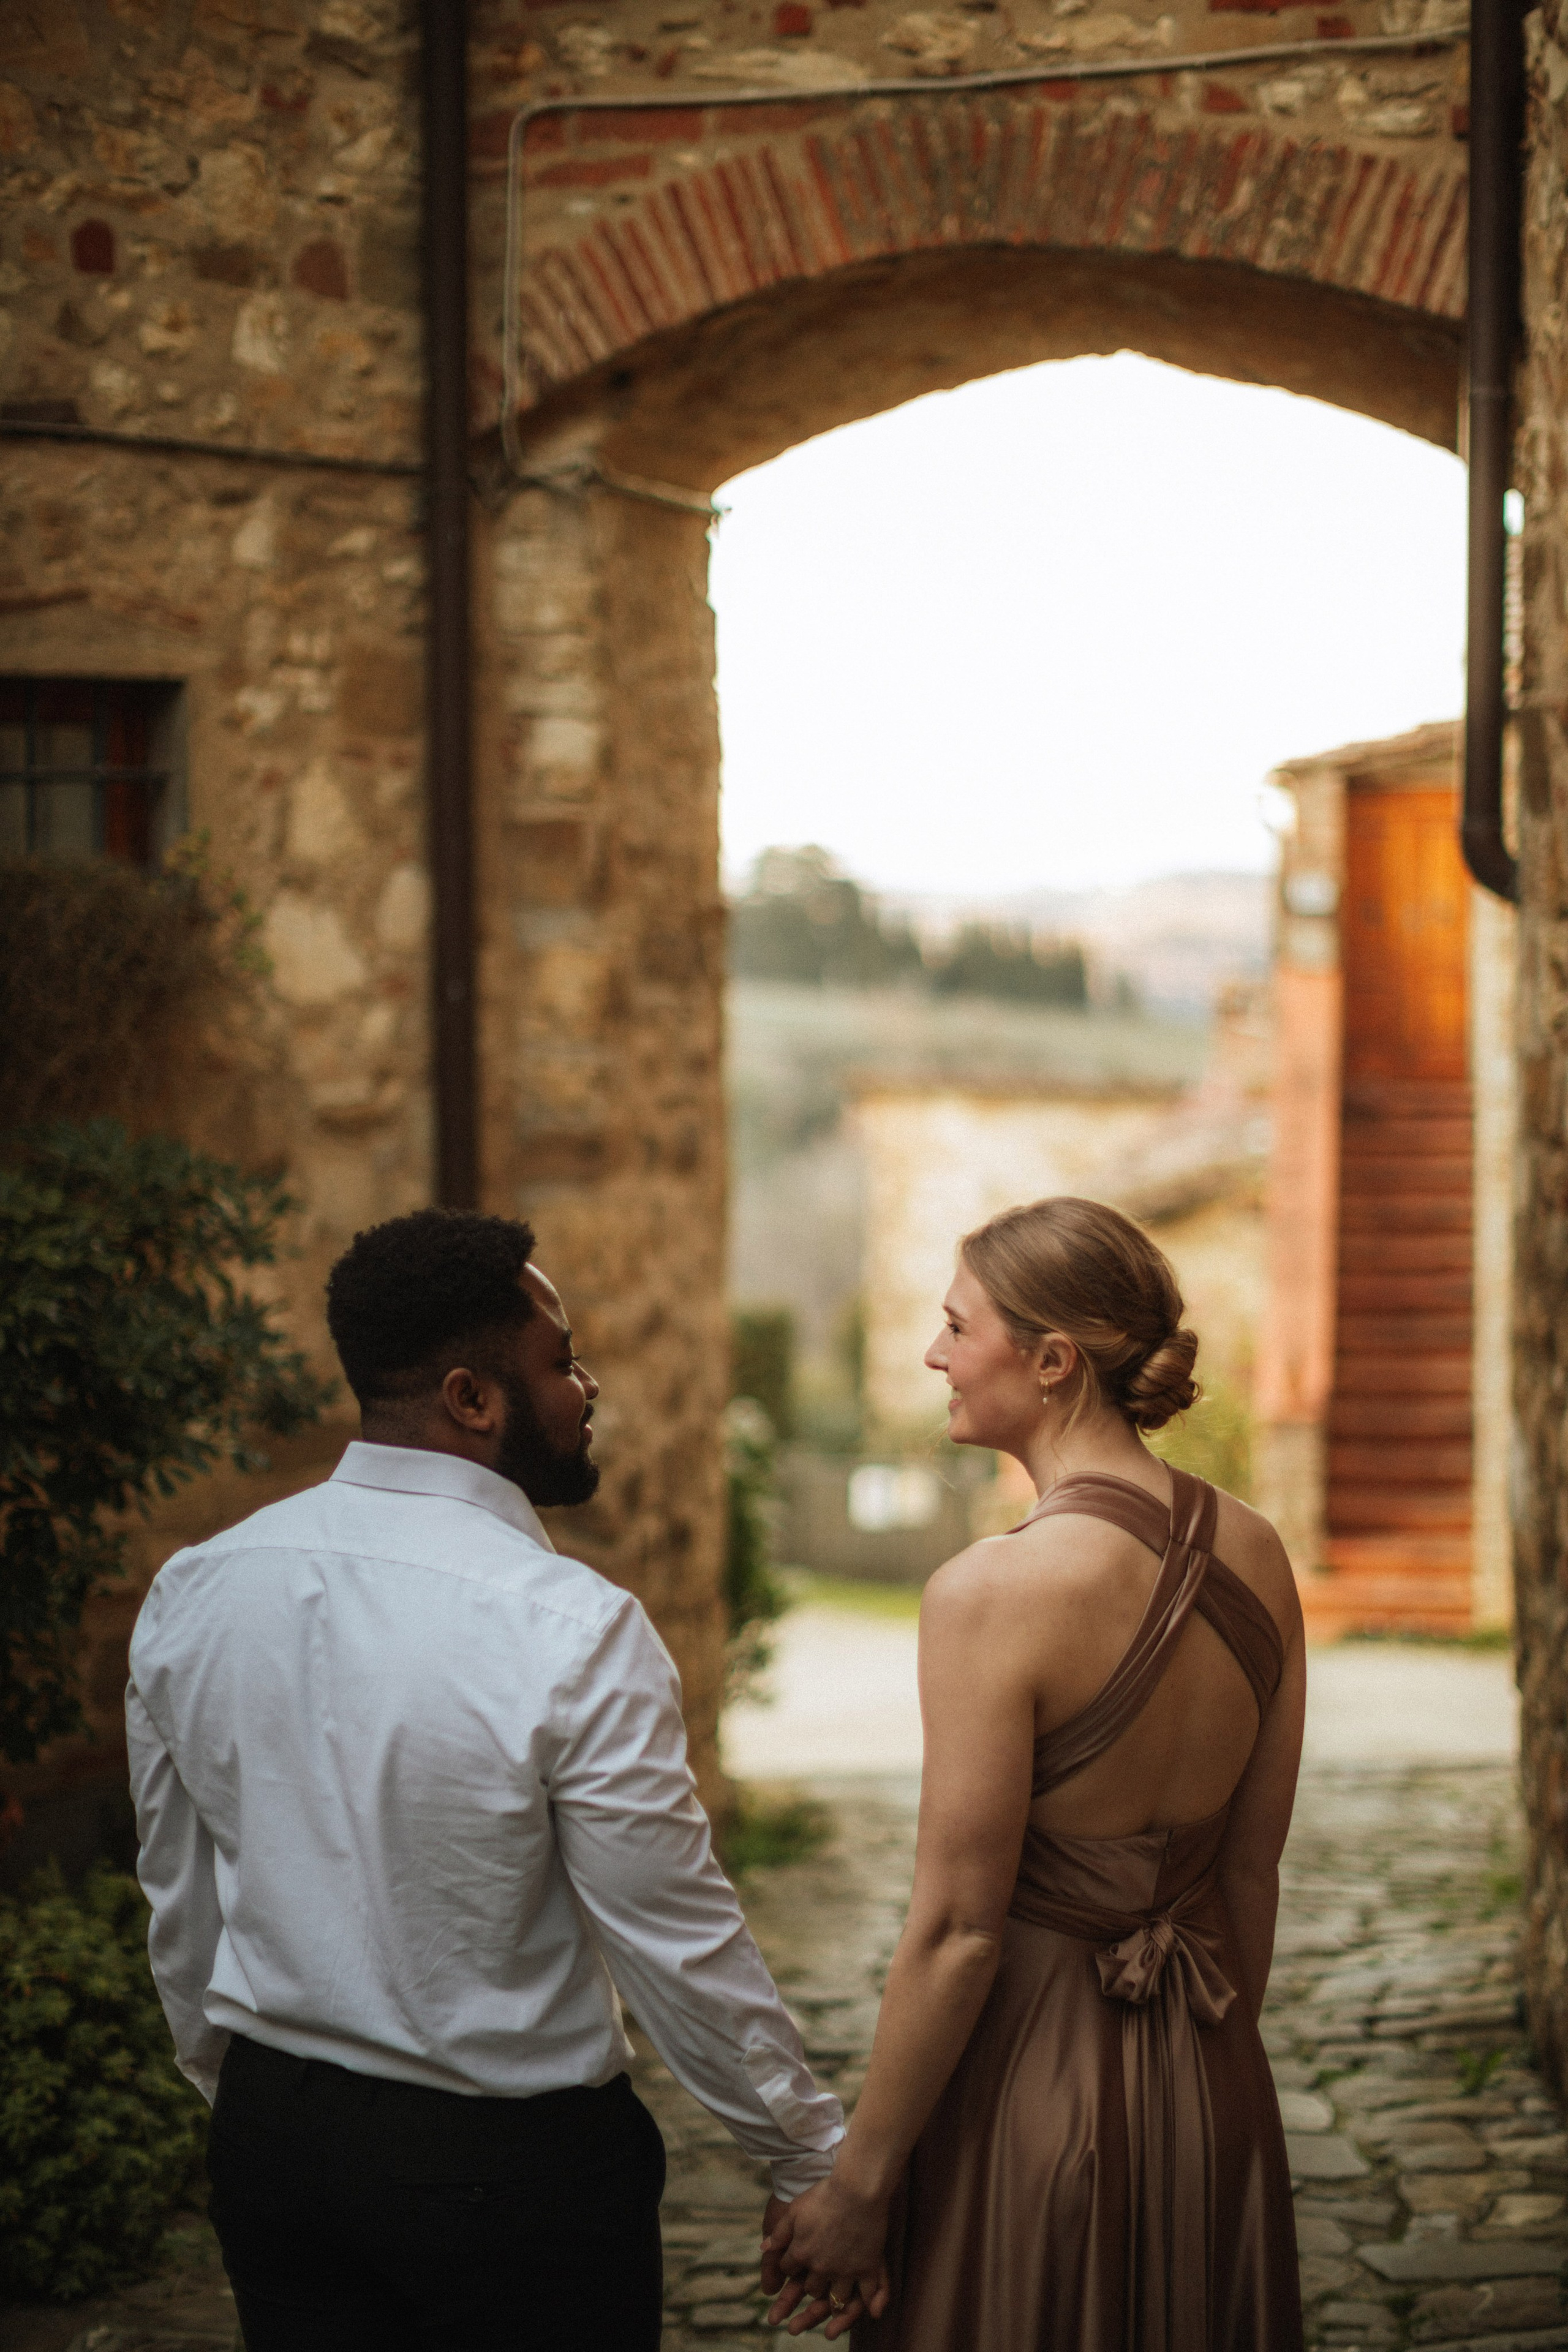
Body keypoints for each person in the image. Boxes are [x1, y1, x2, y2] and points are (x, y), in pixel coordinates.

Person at [126, 1208, 843, 2352]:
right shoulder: (573, 1629)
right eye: (561, 1360)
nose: (587, 1386)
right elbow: (674, 1939)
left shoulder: (196, 1590)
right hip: (508, 2174)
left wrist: (246, 2096)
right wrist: (809, 2158)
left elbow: (182, 1897)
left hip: (277, 2149)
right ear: (473, 1399)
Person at [763, 1194, 1306, 2348]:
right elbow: (1250, 1874)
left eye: (959, 1328)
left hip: (1027, 2085)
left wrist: (860, 2186)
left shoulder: (988, 1595)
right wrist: (1204, 2077)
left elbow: (960, 1929)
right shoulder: (1258, 1552)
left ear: (1054, 1361)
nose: (934, 1355)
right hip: (1213, 2083)